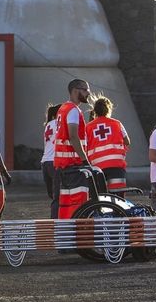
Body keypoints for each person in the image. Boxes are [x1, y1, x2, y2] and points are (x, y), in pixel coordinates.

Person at [54, 79, 93, 219]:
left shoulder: (63, 108)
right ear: (76, 90)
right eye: (86, 89)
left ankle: (65, 232)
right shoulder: (73, 111)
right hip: (74, 165)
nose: (88, 93)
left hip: (63, 165)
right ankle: (78, 234)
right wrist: (85, 161)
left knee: (65, 203)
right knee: (79, 203)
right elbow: (73, 136)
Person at [85, 96, 131, 196]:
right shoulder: (117, 123)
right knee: (119, 198)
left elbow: (84, 145)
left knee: (101, 197)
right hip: (116, 165)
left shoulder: (88, 127)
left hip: (97, 168)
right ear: (109, 109)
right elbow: (127, 141)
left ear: (95, 110)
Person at [41, 103, 61, 212]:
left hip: (45, 163)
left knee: (53, 196)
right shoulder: (59, 123)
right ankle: (56, 223)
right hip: (55, 163)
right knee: (58, 198)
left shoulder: (48, 125)